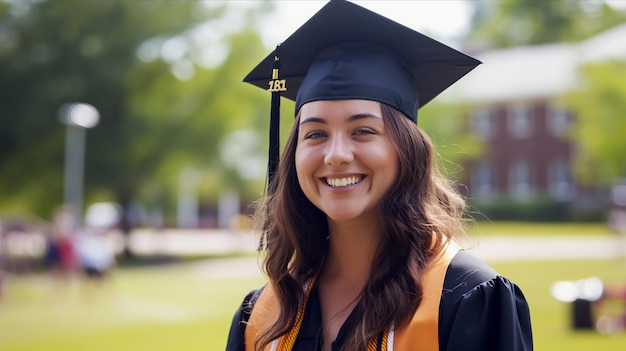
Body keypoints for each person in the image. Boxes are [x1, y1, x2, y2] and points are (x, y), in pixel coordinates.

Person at [226, 1, 533, 350]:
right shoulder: (262, 317)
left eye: (363, 131)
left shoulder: (465, 300)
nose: (337, 154)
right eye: (315, 134)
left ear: (407, 149)